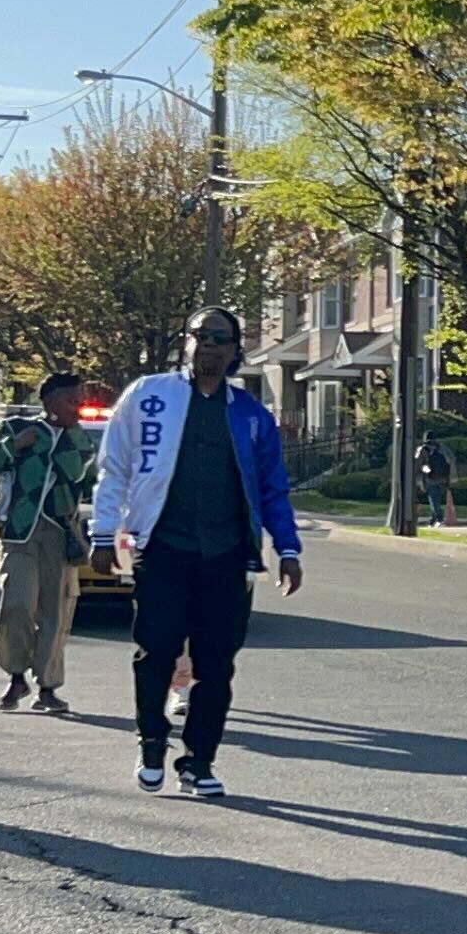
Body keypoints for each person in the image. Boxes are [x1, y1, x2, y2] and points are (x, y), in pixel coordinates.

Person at [88, 308, 303, 799]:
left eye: (219, 338)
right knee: (156, 650)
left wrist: (287, 548)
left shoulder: (250, 415)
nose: (208, 345)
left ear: (235, 351)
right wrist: (104, 535)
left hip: (226, 555)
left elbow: (273, 488)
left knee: (217, 662)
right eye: (199, 336)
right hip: (162, 547)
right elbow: (114, 468)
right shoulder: (149, 396)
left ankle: (199, 760)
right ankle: (151, 744)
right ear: (185, 343)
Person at [0, 372, 98, 713]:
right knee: (17, 606)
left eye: (79, 400)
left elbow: (82, 475)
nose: (76, 406)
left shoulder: (78, 438)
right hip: (19, 533)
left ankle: (47, 687)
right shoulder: (15, 428)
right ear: (48, 400)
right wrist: (15, 445)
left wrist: (65, 436)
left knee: (56, 612)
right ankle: (16, 675)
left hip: (60, 536)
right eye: (69, 400)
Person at [415, 433, 454, 525]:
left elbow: (417, 464)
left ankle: (439, 519)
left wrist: (417, 475)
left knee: (434, 500)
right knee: (436, 499)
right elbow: (451, 461)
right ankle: (433, 519)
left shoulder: (422, 449)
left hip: (430, 479)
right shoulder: (442, 448)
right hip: (443, 479)